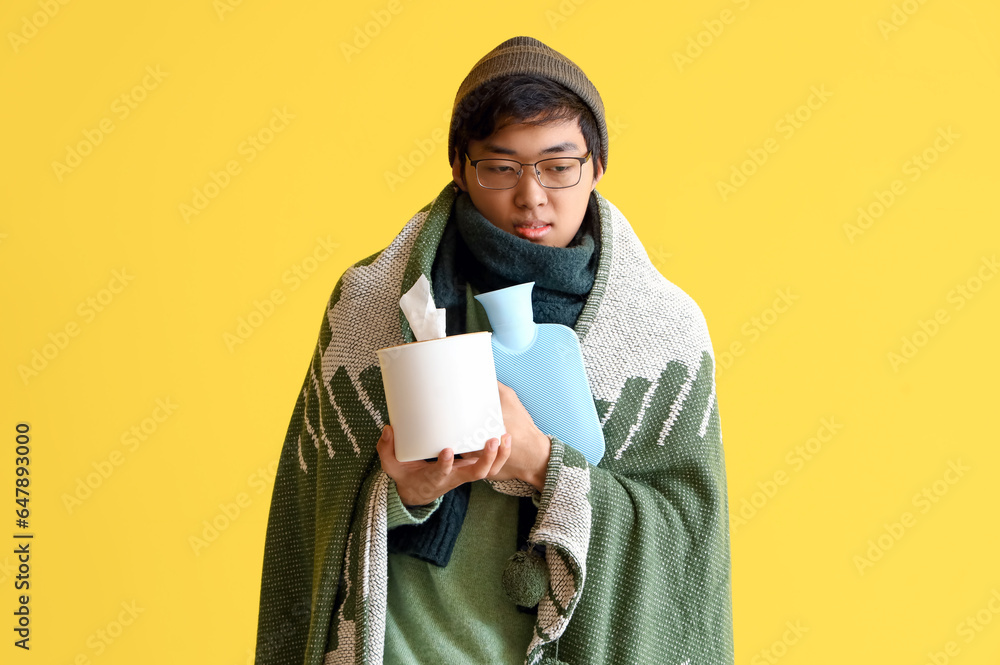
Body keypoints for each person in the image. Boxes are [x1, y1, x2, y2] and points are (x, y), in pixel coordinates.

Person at [255, 36, 733, 665]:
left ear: (597, 166)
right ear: (460, 166)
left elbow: (689, 540)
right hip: (399, 646)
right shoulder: (368, 305)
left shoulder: (659, 332)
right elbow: (308, 517)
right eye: (502, 167)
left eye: (559, 166)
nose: (532, 196)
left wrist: (546, 467)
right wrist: (402, 491)